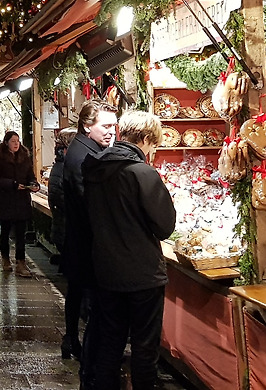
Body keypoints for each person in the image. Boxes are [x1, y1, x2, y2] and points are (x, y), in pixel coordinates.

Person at [81, 111, 175, 390]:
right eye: (153, 144)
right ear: (145, 139)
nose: (152, 150)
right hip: (142, 273)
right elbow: (164, 226)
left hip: (106, 269)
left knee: (111, 341)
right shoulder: (143, 173)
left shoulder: (95, 168)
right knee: (145, 346)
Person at [60, 101, 118, 361]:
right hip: (88, 241)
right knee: (93, 299)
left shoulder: (83, 149)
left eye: (113, 126)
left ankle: (71, 339)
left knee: (76, 292)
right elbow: (92, 203)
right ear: (86, 126)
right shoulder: (86, 157)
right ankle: (91, 354)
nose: (111, 132)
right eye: (105, 126)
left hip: (80, 238)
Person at [0, 131, 40, 277]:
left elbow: (30, 176)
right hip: (5, 200)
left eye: (17, 140)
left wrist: (33, 184)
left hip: (21, 200)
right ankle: (5, 258)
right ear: (6, 143)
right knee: (5, 231)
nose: (16, 143)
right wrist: (12, 184)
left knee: (21, 233)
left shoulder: (25, 158)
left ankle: (21, 262)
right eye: (13, 141)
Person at [47, 127, 78, 264]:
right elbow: (59, 197)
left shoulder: (61, 165)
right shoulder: (64, 167)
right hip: (66, 228)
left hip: (63, 228)